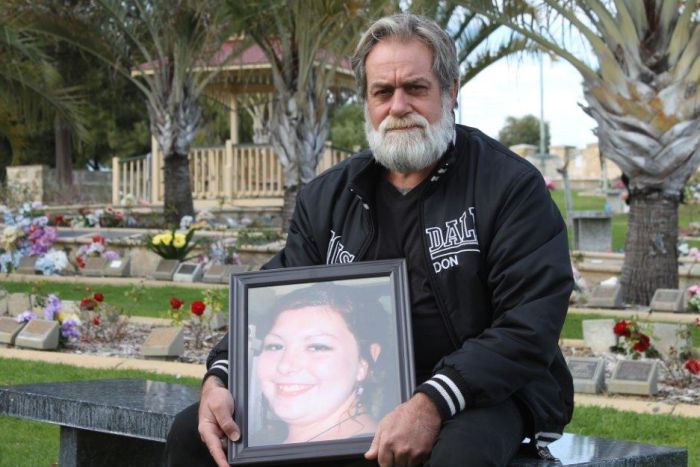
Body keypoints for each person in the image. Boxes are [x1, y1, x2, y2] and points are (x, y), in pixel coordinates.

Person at [166, 13, 574, 467]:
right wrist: (221, 376)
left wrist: (430, 402)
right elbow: (276, 294)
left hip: (484, 391)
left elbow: (529, 323)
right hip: (358, 385)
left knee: (459, 456)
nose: (398, 106)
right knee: (194, 433)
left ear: (451, 91)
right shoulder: (328, 195)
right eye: (383, 92)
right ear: (366, 100)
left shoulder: (510, 186)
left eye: (416, 89)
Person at [249, 284, 389, 445]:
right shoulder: (261, 441)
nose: (285, 366)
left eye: (317, 347)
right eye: (275, 346)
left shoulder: (374, 456)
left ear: (363, 363)